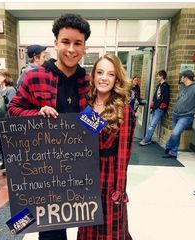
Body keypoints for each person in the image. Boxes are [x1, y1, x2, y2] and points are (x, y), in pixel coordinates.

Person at [8, 13, 91, 240]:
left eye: (78, 43)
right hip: (44, 171)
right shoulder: (34, 77)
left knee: (87, 226)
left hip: (79, 168)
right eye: (65, 42)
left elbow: (95, 127)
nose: (71, 49)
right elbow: (12, 112)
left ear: (84, 46)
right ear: (55, 42)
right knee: (50, 232)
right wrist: (37, 113)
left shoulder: (89, 82)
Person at [77, 53, 135, 240]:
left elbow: (123, 155)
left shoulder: (123, 109)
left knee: (109, 229)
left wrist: (119, 190)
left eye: (110, 74)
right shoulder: (85, 103)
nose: (104, 78)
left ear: (117, 78)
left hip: (108, 177)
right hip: (85, 174)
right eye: (100, 72)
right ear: (93, 76)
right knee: (87, 225)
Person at [163, 70, 195, 158]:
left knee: (175, 133)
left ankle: (169, 146)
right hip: (176, 114)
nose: (181, 78)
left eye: (182, 77)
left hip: (186, 116)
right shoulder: (183, 87)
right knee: (176, 134)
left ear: (186, 78)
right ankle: (173, 152)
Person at [139, 70, 170, 146]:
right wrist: (152, 105)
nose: (156, 77)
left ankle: (145, 140)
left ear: (162, 76)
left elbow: (166, 98)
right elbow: (155, 97)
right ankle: (148, 139)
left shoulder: (165, 86)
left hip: (159, 109)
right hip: (155, 108)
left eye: (158, 76)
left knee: (152, 125)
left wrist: (161, 108)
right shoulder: (158, 86)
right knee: (151, 124)